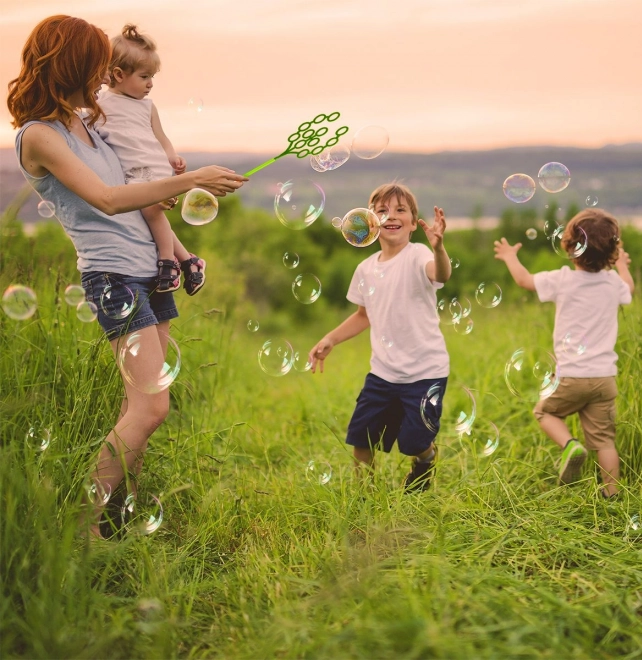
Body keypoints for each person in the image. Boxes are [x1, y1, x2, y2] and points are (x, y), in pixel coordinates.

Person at [7, 14, 248, 537]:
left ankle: (122, 515)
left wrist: (179, 243)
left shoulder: (88, 124)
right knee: (152, 406)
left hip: (148, 271)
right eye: (95, 58)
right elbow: (110, 200)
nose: (105, 68)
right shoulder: (40, 136)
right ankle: (82, 529)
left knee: (138, 405)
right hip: (114, 278)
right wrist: (193, 178)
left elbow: (143, 193)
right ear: (71, 62)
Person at [308, 183, 452, 492]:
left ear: (414, 223)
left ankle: (425, 458)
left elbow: (440, 274)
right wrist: (331, 338)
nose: (391, 216)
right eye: (382, 210)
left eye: (401, 210)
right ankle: (366, 497)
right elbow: (363, 315)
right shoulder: (365, 269)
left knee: (414, 442)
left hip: (425, 372)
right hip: (383, 372)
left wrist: (439, 248)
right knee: (362, 438)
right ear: (369, 222)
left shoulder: (418, 255)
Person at [494, 208, 634, 497]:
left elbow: (524, 281)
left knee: (544, 412)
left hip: (570, 375)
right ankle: (612, 495)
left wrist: (510, 257)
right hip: (604, 379)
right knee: (605, 442)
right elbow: (629, 290)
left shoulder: (562, 279)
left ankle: (571, 445)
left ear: (570, 246)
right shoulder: (612, 284)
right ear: (612, 250)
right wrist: (622, 266)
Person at [96, 24, 204, 295]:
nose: (151, 83)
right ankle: (190, 261)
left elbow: (161, 137)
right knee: (150, 214)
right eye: (144, 76)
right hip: (132, 173)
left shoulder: (147, 106)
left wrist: (172, 157)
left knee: (150, 211)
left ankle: (168, 261)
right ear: (119, 75)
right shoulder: (101, 104)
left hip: (151, 170)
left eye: (152, 76)